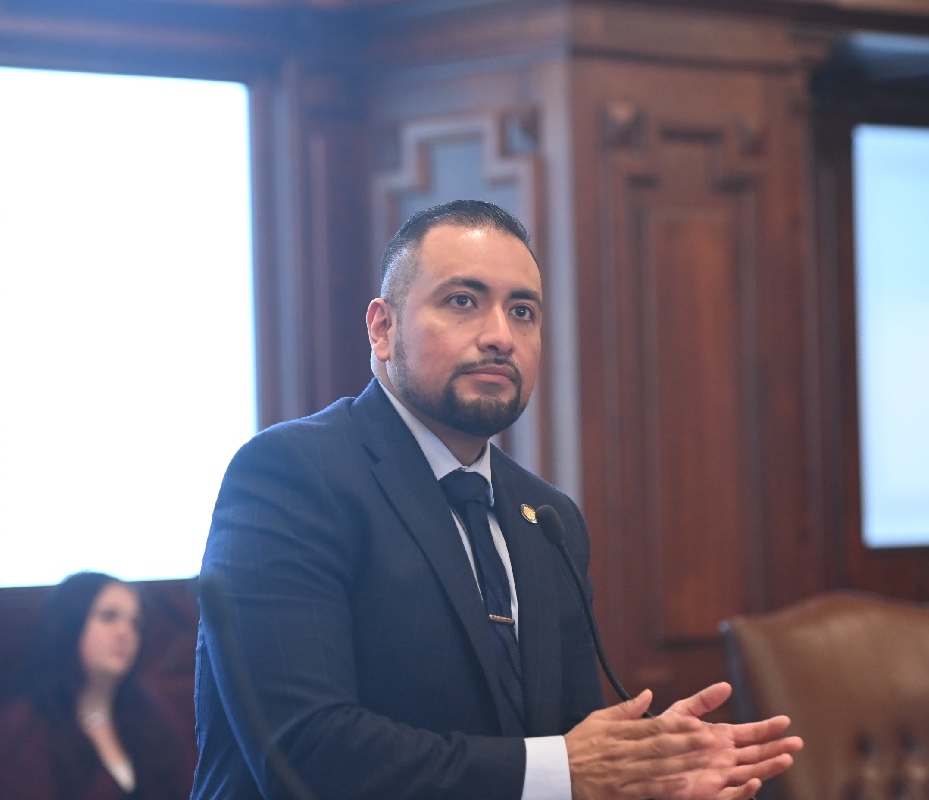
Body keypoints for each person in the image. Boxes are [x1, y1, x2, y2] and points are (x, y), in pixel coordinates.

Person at [192, 199, 803, 800]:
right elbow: (307, 755)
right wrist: (565, 771)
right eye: (463, 302)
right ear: (382, 328)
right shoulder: (294, 474)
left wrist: (642, 783)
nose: (500, 337)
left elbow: (575, 758)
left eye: (523, 312)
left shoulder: (548, 518)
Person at [0, 571, 193, 800]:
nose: (125, 632)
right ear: (69, 625)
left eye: (135, 623)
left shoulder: (151, 710)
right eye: (109, 617)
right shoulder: (22, 725)